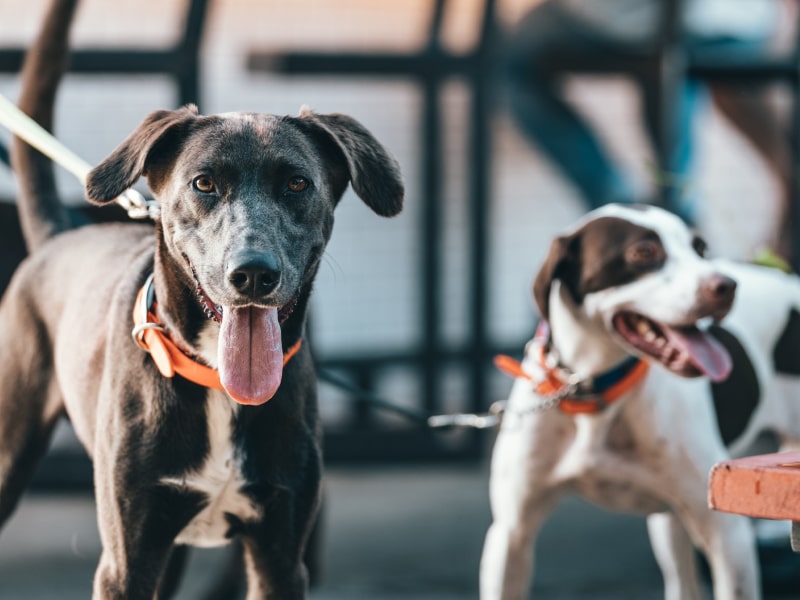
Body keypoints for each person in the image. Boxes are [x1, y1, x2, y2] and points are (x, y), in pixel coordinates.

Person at [503, 0, 788, 237]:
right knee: (672, 64)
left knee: (509, 60)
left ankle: (620, 207)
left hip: (641, 22)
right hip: (738, 20)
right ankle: (671, 209)